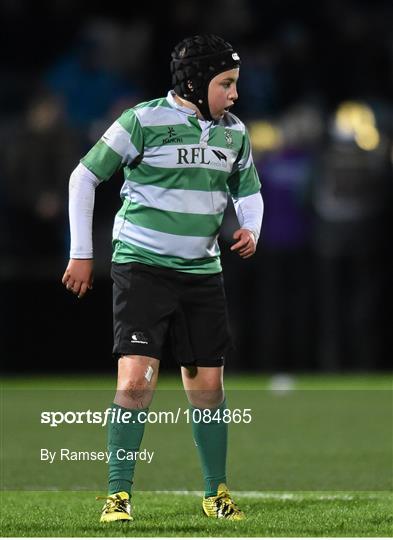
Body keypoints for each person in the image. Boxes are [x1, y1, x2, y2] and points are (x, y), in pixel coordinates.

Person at [62, 34, 263, 523]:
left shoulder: (233, 133)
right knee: (135, 383)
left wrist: (251, 229)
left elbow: (249, 192)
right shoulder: (143, 120)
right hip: (143, 267)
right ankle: (118, 496)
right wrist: (82, 253)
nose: (235, 95)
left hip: (202, 272)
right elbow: (84, 177)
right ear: (195, 82)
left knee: (208, 388)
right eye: (226, 84)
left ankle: (216, 494)